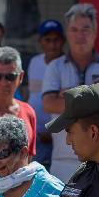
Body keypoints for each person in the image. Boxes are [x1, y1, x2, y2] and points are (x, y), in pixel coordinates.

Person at [42, 3, 99, 183]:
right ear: (67, 34)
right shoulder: (54, 67)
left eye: (85, 29)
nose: (80, 36)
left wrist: (67, 96)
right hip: (62, 159)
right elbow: (48, 103)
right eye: (74, 29)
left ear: (95, 33)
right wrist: (95, 97)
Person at [27, 20, 66, 167]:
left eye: (56, 40)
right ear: (40, 42)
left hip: (60, 138)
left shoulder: (68, 65)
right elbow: (31, 95)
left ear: (63, 41)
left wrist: (53, 134)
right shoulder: (34, 62)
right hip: (34, 136)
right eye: (47, 40)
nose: (52, 44)